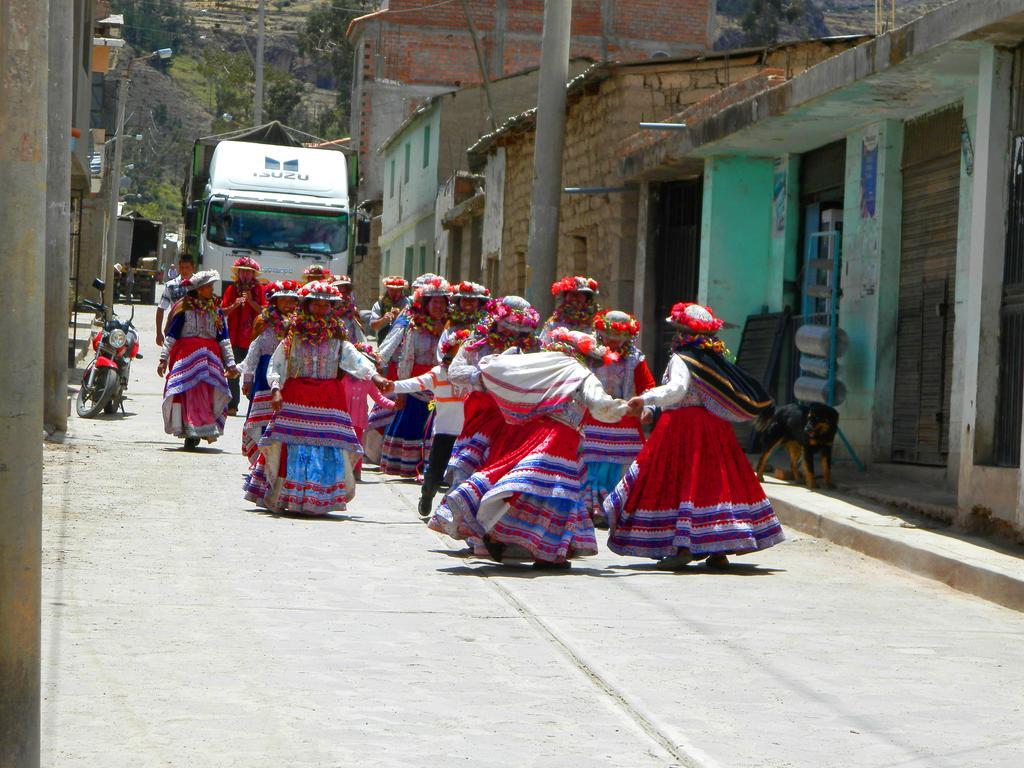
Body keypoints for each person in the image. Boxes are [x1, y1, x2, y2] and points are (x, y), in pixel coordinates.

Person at [604, 302, 785, 570]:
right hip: (715, 428)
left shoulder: (682, 359)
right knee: (713, 484)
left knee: (681, 484)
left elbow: (676, 390)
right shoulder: (714, 360)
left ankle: (682, 546)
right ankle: (718, 549)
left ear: (681, 334)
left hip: (682, 428)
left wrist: (646, 399)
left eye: (677, 331)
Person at [438, 329, 628, 569]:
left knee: (526, 488)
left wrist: (470, 351)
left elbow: (480, 375)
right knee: (555, 494)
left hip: (533, 434)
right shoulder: (581, 373)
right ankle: (545, 552)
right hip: (561, 440)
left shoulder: (541, 366)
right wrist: (625, 408)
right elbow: (599, 403)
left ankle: (506, 539)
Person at [243, 281, 390, 516]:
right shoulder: (294, 336)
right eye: (316, 304)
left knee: (327, 445)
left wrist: (375, 377)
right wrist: (276, 388)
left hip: (329, 399)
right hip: (296, 398)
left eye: (326, 304)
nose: (321, 308)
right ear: (307, 305)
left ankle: (318, 498)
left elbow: (355, 359)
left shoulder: (338, 339)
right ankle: (288, 495)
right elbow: (278, 363)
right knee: (292, 445)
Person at [582, 310, 657, 528]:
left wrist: (647, 407)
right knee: (593, 464)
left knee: (621, 466)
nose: (613, 340)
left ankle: (616, 507)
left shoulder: (635, 358)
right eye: (608, 334)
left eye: (618, 337)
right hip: (594, 417)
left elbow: (648, 387)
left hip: (625, 419)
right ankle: (591, 507)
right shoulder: (590, 354)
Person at [386, 328, 471, 518]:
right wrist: (393, 386)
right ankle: (427, 494)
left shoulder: (473, 375)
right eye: (458, 352)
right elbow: (415, 383)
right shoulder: (439, 374)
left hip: (469, 434)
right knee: (435, 471)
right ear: (449, 352)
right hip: (445, 432)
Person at [376, 276, 451, 478]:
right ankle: (410, 467)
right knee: (413, 424)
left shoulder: (451, 330)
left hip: (441, 388)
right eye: (434, 303)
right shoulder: (415, 328)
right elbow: (407, 359)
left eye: (442, 303)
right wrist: (402, 390)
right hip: (417, 387)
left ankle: (432, 468)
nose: (438, 307)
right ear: (426, 304)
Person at [157, 270, 237, 449]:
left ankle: (204, 426)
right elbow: (172, 335)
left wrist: (230, 363)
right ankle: (188, 428)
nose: (211, 290)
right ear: (199, 290)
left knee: (206, 393)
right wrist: (163, 359)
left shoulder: (215, 311)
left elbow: (223, 338)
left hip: (210, 360)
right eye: (209, 286)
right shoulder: (183, 308)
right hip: (187, 359)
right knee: (187, 391)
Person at [238, 280, 299, 465]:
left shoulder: (299, 325)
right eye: (283, 300)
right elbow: (253, 352)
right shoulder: (263, 322)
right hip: (264, 376)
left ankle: (278, 460)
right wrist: (247, 379)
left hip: (288, 377)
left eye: (292, 301)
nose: (288, 305)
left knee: (283, 418)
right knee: (262, 419)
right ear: (274, 302)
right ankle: (260, 460)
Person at [221, 256, 266, 416]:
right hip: (234, 337)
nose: (245, 275)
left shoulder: (260, 290)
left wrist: (252, 302)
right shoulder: (231, 290)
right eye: (243, 272)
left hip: (253, 339)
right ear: (238, 273)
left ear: (253, 275)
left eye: (249, 273)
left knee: (253, 372)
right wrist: (235, 305)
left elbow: (266, 312)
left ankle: (254, 404)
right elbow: (222, 312)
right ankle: (233, 405)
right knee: (232, 371)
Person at [345, 343, 396, 481]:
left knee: (359, 447)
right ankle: (344, 473)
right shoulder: (343, 379)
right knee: (344, 447)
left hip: (359, 420)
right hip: (344, 421)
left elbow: (378, 397)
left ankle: (357, 473)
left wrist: (393, 405)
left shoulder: (368, 381)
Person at [539, 275, 600, 343]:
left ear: (586, 299)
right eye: (572, 294)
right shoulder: (553, 323)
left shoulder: (593, 326)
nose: (575, 299)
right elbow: (542, 346)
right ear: (565, 297)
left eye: (580, 295)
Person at [438, 281, 489, 361]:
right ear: (459, 302)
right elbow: (441, 349)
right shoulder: (451, 323)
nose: (468, 303)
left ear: (479, 303)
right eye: (464, 299)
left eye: (472, 300)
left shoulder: (486, 323)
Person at [155, 255, 195, 347]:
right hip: (175, 329)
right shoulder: (171, 286)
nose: (184, 270)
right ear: (178, 268)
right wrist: (158, 333)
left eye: (187, 267)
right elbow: (161, 308)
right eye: (182, 267)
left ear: (193, 268)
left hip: (196, 333)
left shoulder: (201, 284)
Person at [368, 276, 410, 341]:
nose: (395, 293)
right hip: (384, 343)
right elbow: (373, 326)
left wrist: (400, 316)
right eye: (392, 290)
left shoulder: (407, 303)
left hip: (403, 344)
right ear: (387, 289)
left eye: (397, 290)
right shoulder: (379, 304)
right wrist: (383, 319)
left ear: (401, 290)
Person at [331, 274, 366, 343]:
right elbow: (332, 313)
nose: (342, 288)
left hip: (349, 324)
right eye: (340, 286)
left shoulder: (349, 297)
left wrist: (351, 310)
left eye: (343, 286)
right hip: (334, 324)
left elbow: (352, 311)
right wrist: (342, 311)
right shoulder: (331, 299)